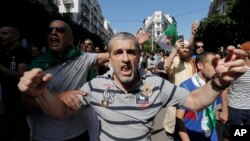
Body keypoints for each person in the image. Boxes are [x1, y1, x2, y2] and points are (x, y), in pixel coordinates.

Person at [17, 32, 246, 141]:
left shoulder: (156, 85)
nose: (125, 58)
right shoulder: (95, 86)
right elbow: (59, 112)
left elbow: (194, 101)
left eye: (131, 52)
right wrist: (41, 93)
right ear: (110, 58)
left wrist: (219, 82)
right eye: (118, 52)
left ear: (139, 57)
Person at [22, 20, 109, 141]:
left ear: (70, 38)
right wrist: (56, 98)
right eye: (50, 30)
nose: (53, 33)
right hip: (46, 136)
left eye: (60, 30)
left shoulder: (83, 58)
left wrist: (136, 44)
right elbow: (25, 105)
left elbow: (114, 55)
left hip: (79, 133)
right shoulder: (36, 66)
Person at [175, 52, 218, 141]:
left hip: (211, 133)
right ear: (200, 65)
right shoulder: (186, 86)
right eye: (212, 64)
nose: (216, 68)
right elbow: (179, 118)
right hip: (192, 134)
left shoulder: (214, 85)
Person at [0, 25, 32, 140]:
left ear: (15, 36)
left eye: (5, 33)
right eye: (0, 33)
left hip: (16, 106)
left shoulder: (23, 53)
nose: (1, 36)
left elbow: (21, 76)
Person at [222, 41, 250, 141]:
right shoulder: (236, 68)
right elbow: (224, 89)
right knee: (234, 136)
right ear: (246, 53)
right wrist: (224, 110)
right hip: (237, 109)